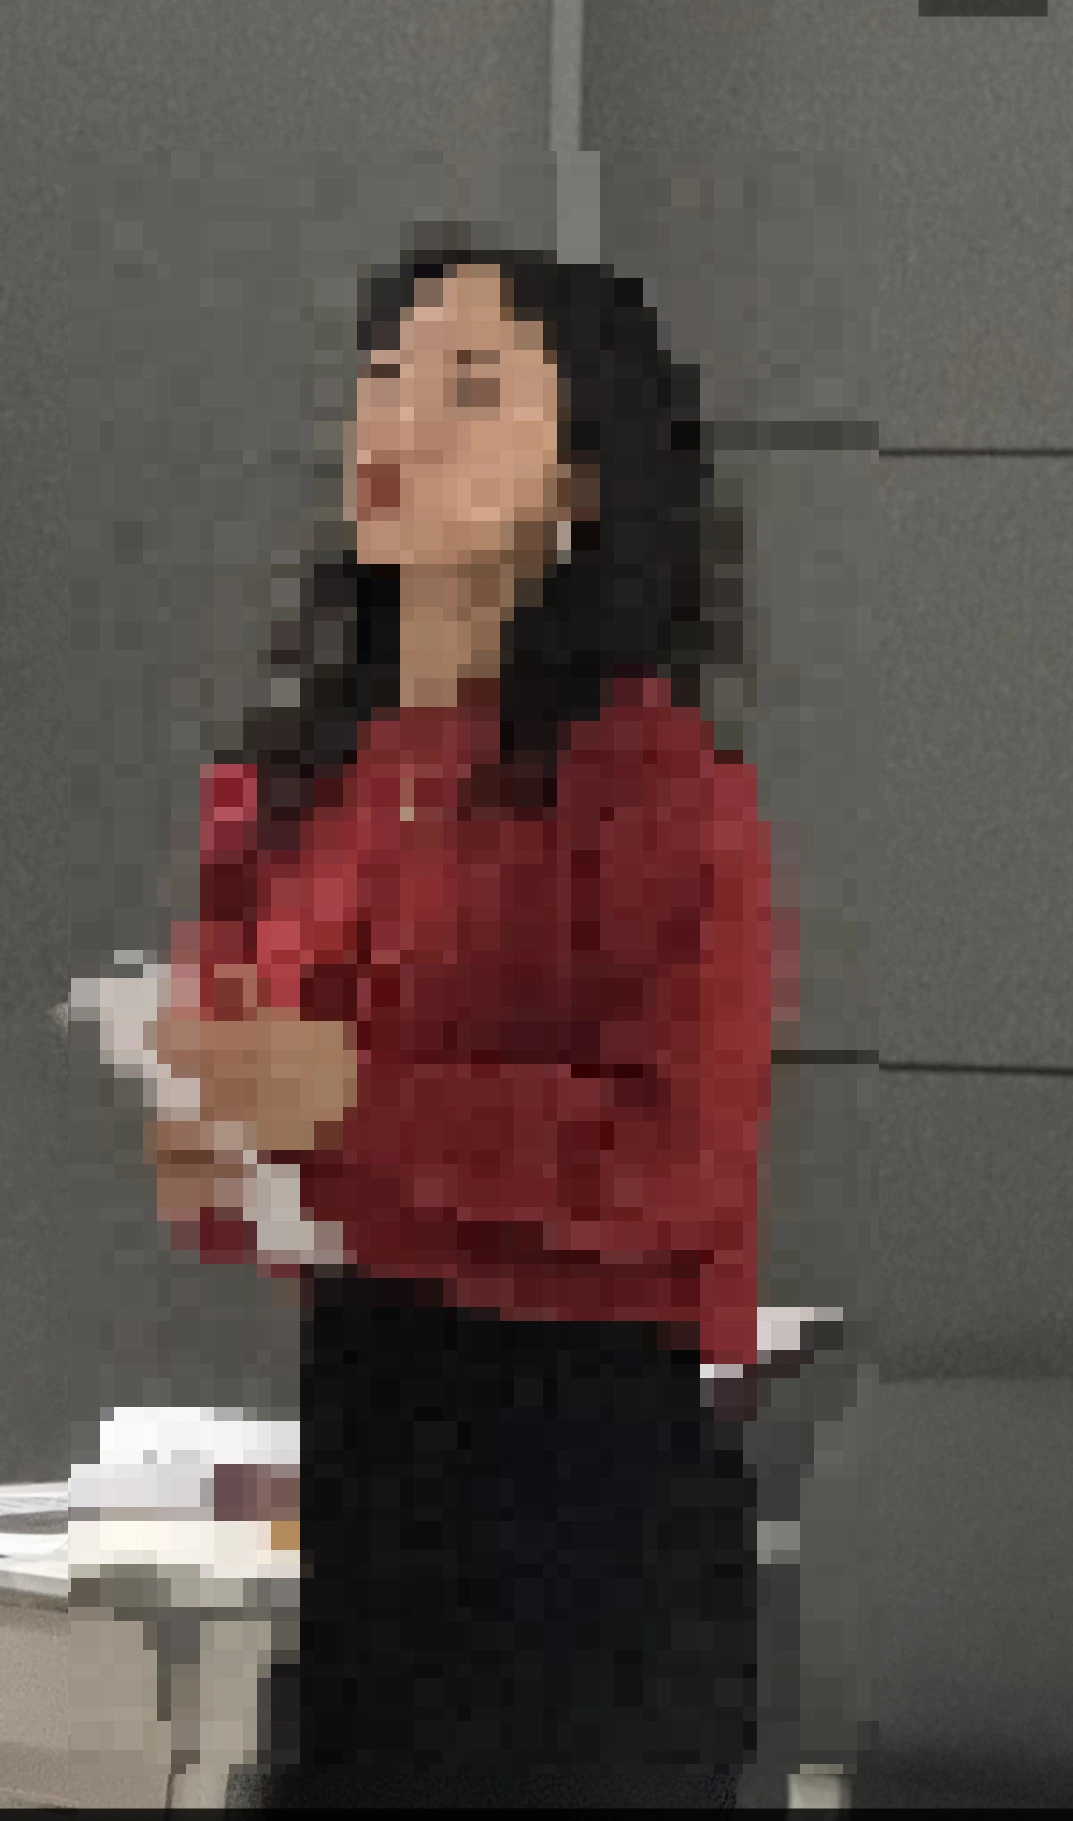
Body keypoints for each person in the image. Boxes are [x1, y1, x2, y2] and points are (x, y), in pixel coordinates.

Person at [148, 229, 771, 1809]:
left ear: (578, 482)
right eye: (383, 373)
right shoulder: (287, 782)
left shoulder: (658, 790)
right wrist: (217, 1156)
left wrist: (351, 1102)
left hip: (592, 1511)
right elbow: (276, 1165)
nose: (397, 420)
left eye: (470, 386)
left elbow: (676, 1166)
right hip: (370, 1450)